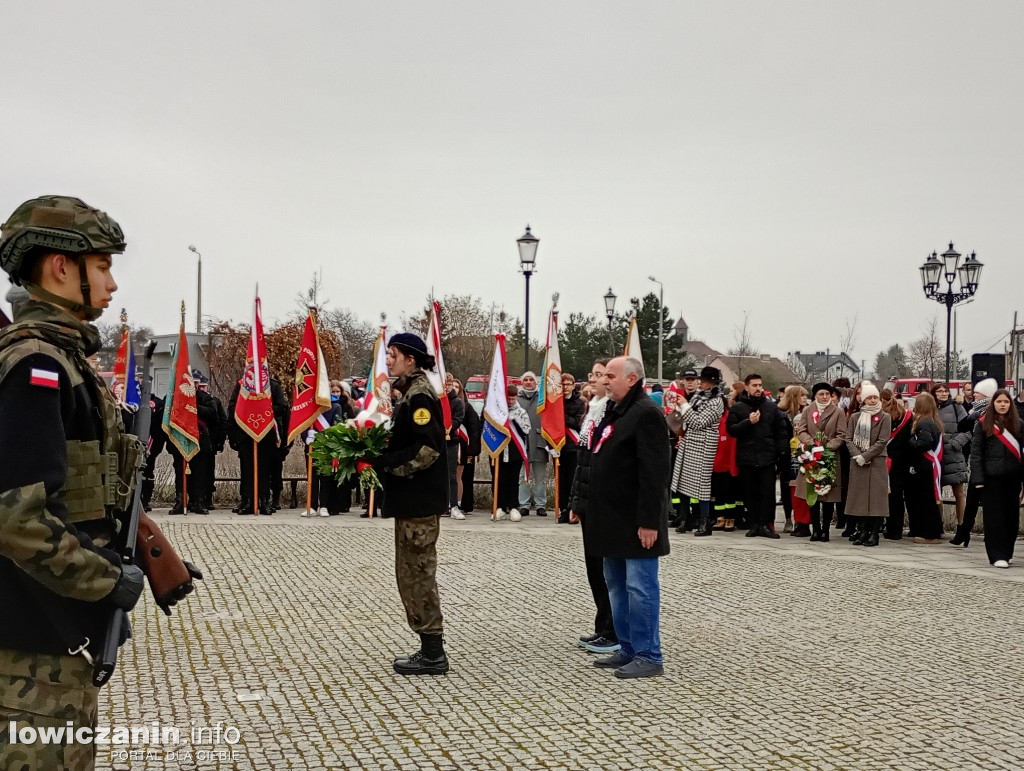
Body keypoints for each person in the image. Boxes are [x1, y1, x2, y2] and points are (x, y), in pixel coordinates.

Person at [0, 195, 201, 769]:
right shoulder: (35, 368)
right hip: (29, 646)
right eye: (103, 265)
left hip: (52, 634)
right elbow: (16, 519)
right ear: (61, 268)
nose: (112, 283)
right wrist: (109, 578)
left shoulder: (62, 361)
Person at [587, 357, 670, 679]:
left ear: (632, 378)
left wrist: (650, 521)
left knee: (640, 588)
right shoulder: (615, 410)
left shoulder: (647, 414)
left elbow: (655, 474)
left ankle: (650, 654)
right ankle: (628, 648)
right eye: (604, 375)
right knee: (617, 587)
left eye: (611, 375)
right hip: (612, 521)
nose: (604, 381)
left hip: (638, 522)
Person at [378, 333, 450, 675]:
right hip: (410, 502)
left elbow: (428, 449)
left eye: (393, 355)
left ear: (411, 359)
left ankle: (434, 653)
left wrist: (390, 464)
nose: (388, 360)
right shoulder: (409, 393)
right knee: (409, 575)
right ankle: (428, 646)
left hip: (419, 502)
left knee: (418, 576)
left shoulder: (420, 396)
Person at [568, 358, 618, 654]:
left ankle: (611, 629)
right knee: (593, 568)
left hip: (603, 505)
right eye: (595, 374)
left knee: (605, 569)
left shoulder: (609, 415)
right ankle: (602, 625)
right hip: (588, 501)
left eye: (602, 375)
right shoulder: (592, 412)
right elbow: (582, 464)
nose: (597, 380)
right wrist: (576, 501)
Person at [727, 373, 789, 539]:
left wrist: (781, 453)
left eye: (760, 385)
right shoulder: (738, 407)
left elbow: (782, 431)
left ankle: (766, 525)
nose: (758, 388)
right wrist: (748, 422)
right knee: (750, 493)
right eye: (754, 385)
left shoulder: (771, 407)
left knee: (768, 493)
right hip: (747, 457)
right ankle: (754, 524)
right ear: (747, 387)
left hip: (767, 457)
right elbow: (731, 430)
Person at [668, 366, 726, 536]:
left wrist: (684, 406)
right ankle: (685, 518)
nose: (701, 384)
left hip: (704, 444)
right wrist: (679, 407)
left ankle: (704, 520)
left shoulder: (717, 401)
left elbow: (698, 422)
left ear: (711, 383)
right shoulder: (699, 397)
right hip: (689, 442)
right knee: (682, 481)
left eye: (704, 381)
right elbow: (688, 417)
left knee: (702, 484)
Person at [969, 389, 1023, 568]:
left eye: (1006, 402)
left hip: (1013, 478)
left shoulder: (1019, 424)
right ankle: (996, 554)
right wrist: (978, 479)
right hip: (991, 479)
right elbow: (976, 454)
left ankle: (1007, 551)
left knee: (1011, 517)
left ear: (1010, 404)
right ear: (993, 404)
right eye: (999, 402)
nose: (1002, 405)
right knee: (994, 518)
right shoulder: (983, 424)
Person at [794, 382, 848, 542]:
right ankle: (815, 529)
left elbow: (842, 434)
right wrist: (811, 443)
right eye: (821, 394)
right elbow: (801, 430)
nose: (824, 397)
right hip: (811, 455)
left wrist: (827, 447)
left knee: (828, 495)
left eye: (827, 394)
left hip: (829, 456)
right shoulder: (808, 410)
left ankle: (825, 530)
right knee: (812, 493)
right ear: (815, 396)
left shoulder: (838, 412)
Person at [952, 378, 999, 546]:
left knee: (989, 502)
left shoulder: (994, 414)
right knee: (972, 500)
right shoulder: (976, 411)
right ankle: (964, 532)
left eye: (977, 393)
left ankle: (990, 533)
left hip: (992, 463)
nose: (974, 395)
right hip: (978, 462)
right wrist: (974, 415)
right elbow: (962, 426)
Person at [843, 382, 891, 547]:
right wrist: (857, 455)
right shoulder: (856, 417)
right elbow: (848, 438)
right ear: (863, 400)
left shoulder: (885, 417)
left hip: (876, 461)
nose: (872, 400)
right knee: (860, 498)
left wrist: (866, 455)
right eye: (869, 398)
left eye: (874, 397)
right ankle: (862, 530)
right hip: (858, 462)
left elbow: (883, 440)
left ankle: (874, 533)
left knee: (876, 499)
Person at [930, 383, 971, 538]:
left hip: (953, 454)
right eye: (939, 391)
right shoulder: (931, 408)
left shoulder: (956, 407)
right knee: (936, 492)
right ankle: (937, 525)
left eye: (946, 391)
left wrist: (955, 443)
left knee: (959, 492)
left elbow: (968, 429)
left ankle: (961, 526)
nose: (943, 393)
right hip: (936, 455)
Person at [906, 392, 945, 544]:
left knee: (925, 500)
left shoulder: (925, 422)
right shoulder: (934, 420)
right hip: (929, 466)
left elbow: (924, 443)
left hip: (925, 465)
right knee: (927, 499)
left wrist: (911, 441)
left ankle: (929, 533)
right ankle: (930, 530)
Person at [494, 383, 530, 522]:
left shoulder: (521, 412)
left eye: (513, 399)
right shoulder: (499, 412)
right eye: (508, 399)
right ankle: (501, 507)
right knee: (501, 479)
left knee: (513, 479)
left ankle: (514, 506)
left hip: (516, 450)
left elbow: (526, 430)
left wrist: (515, 422)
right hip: (501, 450)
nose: (511, 401)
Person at [778, 385, 810, 536]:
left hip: (802, 454)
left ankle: (801, 520)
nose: (805, 398)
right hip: (787, 455)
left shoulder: (808, 412)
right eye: (802, 396)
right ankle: (787, 518)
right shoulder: (783, 413)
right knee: (787, 488)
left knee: (800, 489)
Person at [882, 389, 913, 540]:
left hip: (889, 458)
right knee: (898, 496)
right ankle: (897, 529)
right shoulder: (906, 414)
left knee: (891, 495)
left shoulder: (884, 416)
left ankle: (891, 528)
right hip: (904, 459)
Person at [517, 371, 549, 516]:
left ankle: (540, 504)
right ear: (522, 383)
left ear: (536, 383)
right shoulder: (517, 400)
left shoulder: (543, 399)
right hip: (523, 443)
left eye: (531, 380)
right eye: (526, 380)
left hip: (539, 442)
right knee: (523, 477)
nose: (528, 382)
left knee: (540, 478)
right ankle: (524, 504)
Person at [558, 373, 586, 523]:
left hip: (573, 446)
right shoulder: (556, 401)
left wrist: (561, 416)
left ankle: (571, 509)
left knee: (572, 480)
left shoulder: (580, 402)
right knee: (561, 480)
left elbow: (577, 423)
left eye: (568, 384)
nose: (565, 387)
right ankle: (562, 508)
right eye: (562, 384)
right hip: (559, 445)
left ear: (573, 385)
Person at [458, 380, 482, 515]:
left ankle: (465, 504)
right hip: (453, 448)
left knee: (465, 477)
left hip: (466, 449)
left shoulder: (468, 408)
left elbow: (474, 430)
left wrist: (473, 450)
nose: (454, 388)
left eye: (457, 386)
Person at [444, 372, 466, 519]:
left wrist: (446, 428)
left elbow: (457, 420)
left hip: (450, 441)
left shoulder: (457, 402)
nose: (446, 388)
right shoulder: (434, 400)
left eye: (448, 385)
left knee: (452, 476)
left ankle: (453, 505)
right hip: (435, 443)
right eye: (444, 385)